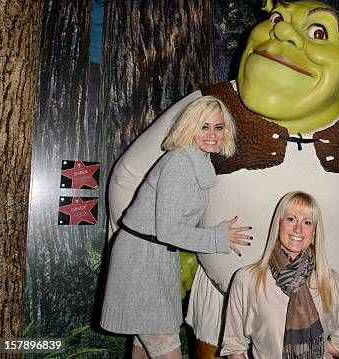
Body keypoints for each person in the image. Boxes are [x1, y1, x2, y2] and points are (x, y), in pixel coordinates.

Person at [106, 0, 339, 358]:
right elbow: (130, 177)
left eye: (318, 31)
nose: (283, 32)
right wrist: (161, 252)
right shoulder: (211, 108)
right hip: (228, 317)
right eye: (278, 18)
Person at [100, 96, 253, 359]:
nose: (212, 134)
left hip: (155, 256)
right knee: (164, 344)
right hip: (142, 260)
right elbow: (169, 230)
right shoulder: (180, 163)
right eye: (203, 126)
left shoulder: (199, 161)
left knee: (145, 345)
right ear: (190, 126)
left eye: (218, 127)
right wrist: (218, 237)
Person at [221, 191, 339, 359]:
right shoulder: (246, 280)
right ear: (279, 223)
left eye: (307, 222)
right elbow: (235, 347)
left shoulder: (330, 282)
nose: (298, 229)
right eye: (291, 219)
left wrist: (315, 345)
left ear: (314, 231)